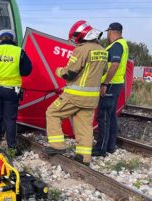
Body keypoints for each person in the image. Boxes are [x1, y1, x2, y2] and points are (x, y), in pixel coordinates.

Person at [43, 20, 108, 165]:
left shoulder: (82, 49)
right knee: (84, 126)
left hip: (75, 95)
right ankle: (84, 157)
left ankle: (57, 146)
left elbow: (69, 73)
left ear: (80, 36)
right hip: (92, 98)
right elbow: (103, 72)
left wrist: (59, 71)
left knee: (52, 112)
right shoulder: (103, 51)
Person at [0, 29, 32, 156]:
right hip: (11, 90)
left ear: (0, 39)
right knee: (10, 119)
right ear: (12, 39)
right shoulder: (19, 51)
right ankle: (12, 148)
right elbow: (27, 70)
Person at [93, 22, 129, 156]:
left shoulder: (116, 45)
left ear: (112, 31)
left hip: (111, 84)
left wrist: (105, 84)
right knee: (111, 116)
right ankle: (110, 146)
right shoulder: (123, 44)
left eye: (108, 32)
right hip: (117, 84)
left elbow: (114, 64)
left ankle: (100, 149)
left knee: (104, 116)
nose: (107, 34)